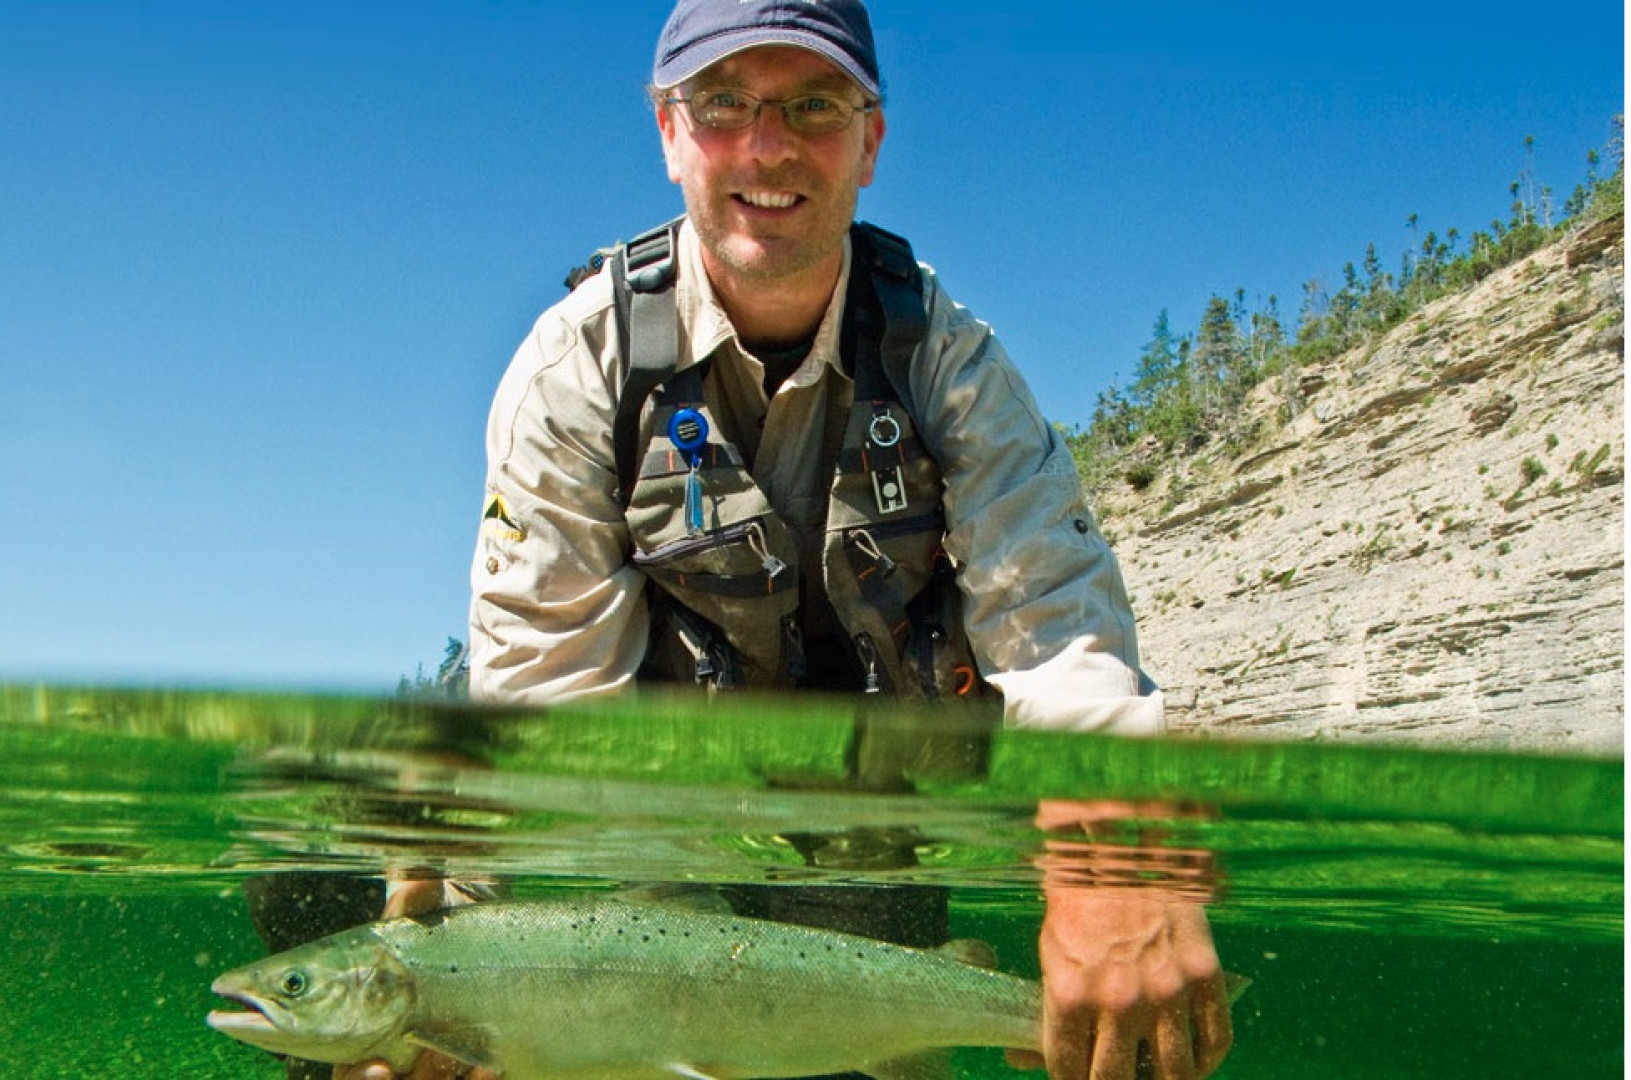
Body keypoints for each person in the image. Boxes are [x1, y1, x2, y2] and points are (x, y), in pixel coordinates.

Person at [344, 2, 1232, 1078]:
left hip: (875, 818)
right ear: (669, 132)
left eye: (813, 105)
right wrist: (494, 951)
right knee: (318, 877)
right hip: (659, 815)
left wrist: (1111, 856)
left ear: (870, 142)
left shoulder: (951, 361)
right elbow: (550, 707)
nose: (767, 147)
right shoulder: (574, 370)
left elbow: (1054, 633)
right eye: (723, 104)